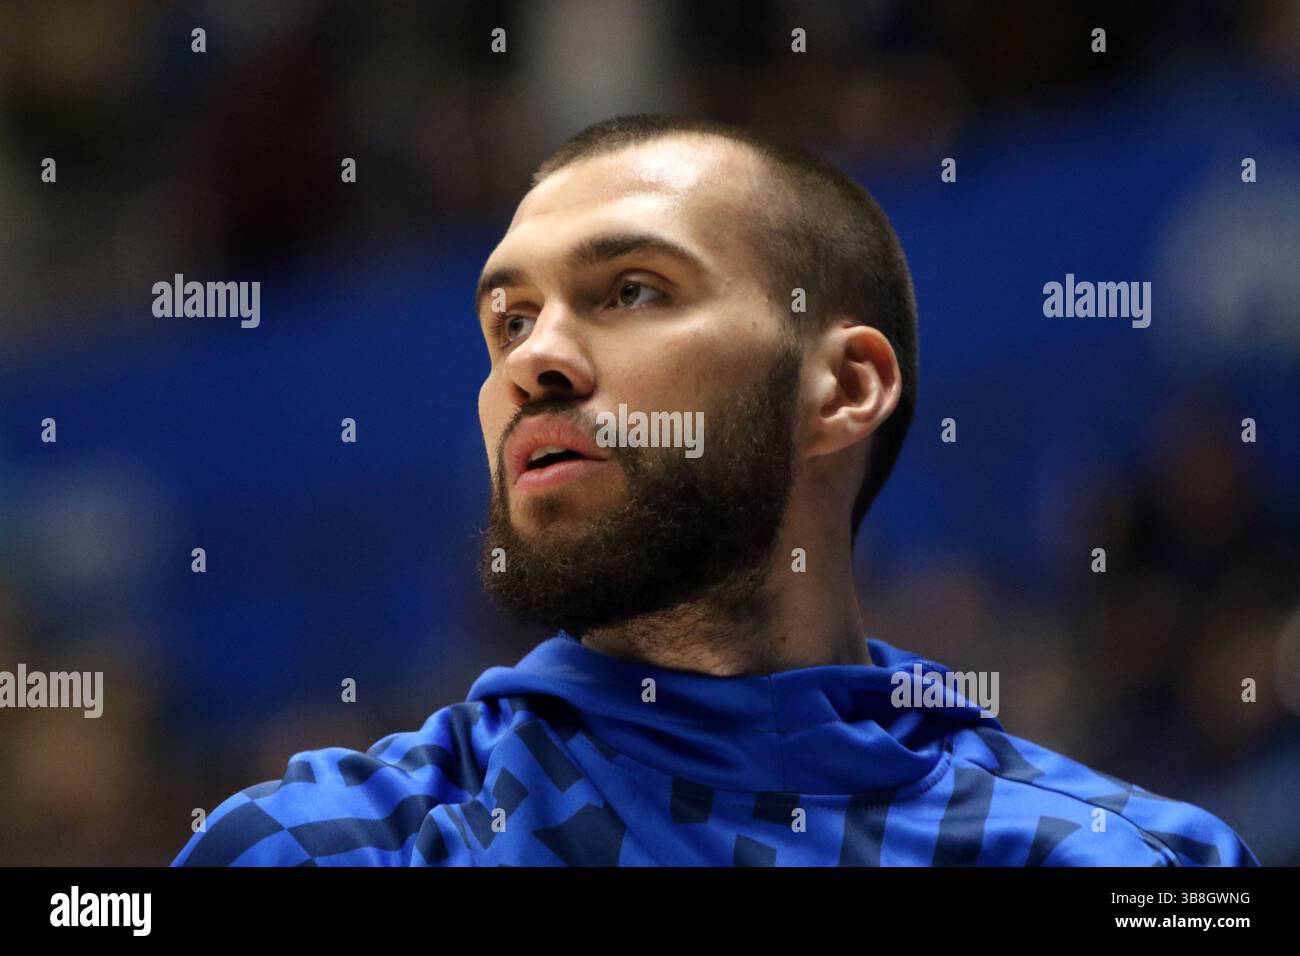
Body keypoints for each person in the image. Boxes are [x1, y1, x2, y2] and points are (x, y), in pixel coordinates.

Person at [172, 114, 1257, 866]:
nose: (529, 361)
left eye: (632, 289)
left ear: (843, 385)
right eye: (507, 320)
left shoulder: (1129, 861)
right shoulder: (328, 844)